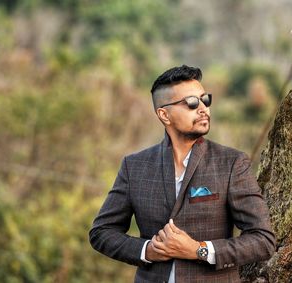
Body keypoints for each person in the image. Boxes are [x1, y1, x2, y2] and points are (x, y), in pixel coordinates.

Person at [89, 65, 276, 282]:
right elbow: (101, 232)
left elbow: (263, 240)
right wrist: (148, 250)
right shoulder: (134, 166)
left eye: (205, 100)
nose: (203, 109)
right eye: (191, 103)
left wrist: (199, 250)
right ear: (164, 114)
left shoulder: (232, 163)